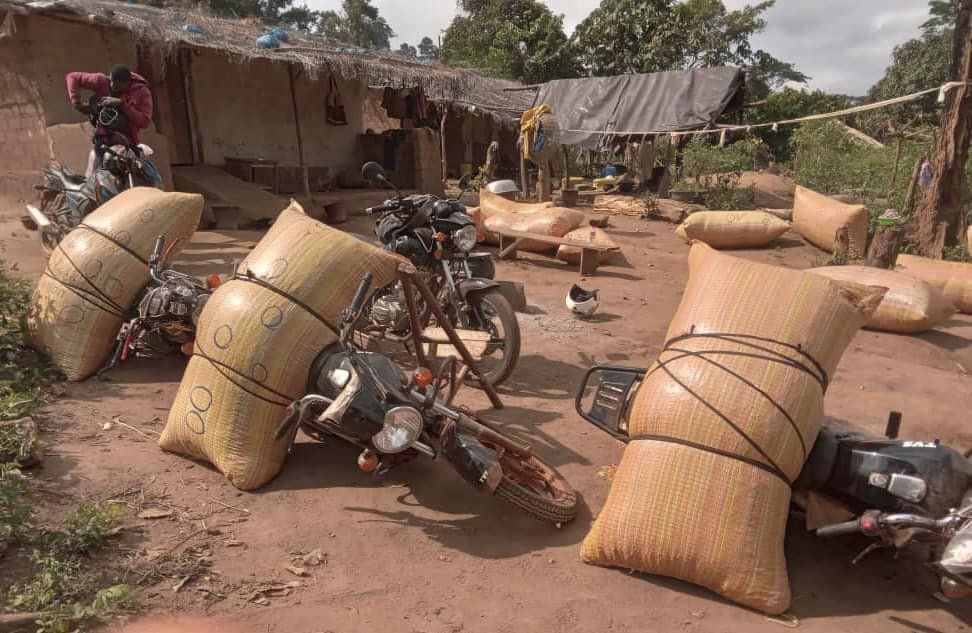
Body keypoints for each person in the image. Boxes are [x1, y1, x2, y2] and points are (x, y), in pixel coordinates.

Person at [66, 65, 153, 176]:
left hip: (128, 141)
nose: (112, 86)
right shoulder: (102, 81)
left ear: (127, 83)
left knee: (141, 175)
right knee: (102, 176)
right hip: (103, 140)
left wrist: (122, 105)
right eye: (111, 81)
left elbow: (145, 121)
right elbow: (72, 77)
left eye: (116, 85)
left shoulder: (142, 92)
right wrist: (76, 102)